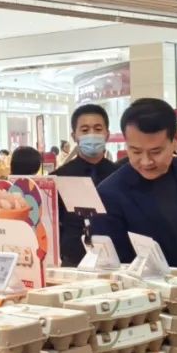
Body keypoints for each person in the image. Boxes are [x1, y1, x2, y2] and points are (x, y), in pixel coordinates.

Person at [94, 98, 177, 269]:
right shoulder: (110, 193)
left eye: (156, 151)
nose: (146, 161)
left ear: (175, 140)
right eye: (136, 151)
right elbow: (116, 264)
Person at [51, 104, 119, 265]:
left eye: (98, 129)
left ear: (107, 134)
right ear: (74, 136)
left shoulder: (119, 175)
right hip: (72, 260)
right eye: (85, 130)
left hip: (116, 257)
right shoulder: (58, 177)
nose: (92, 134)